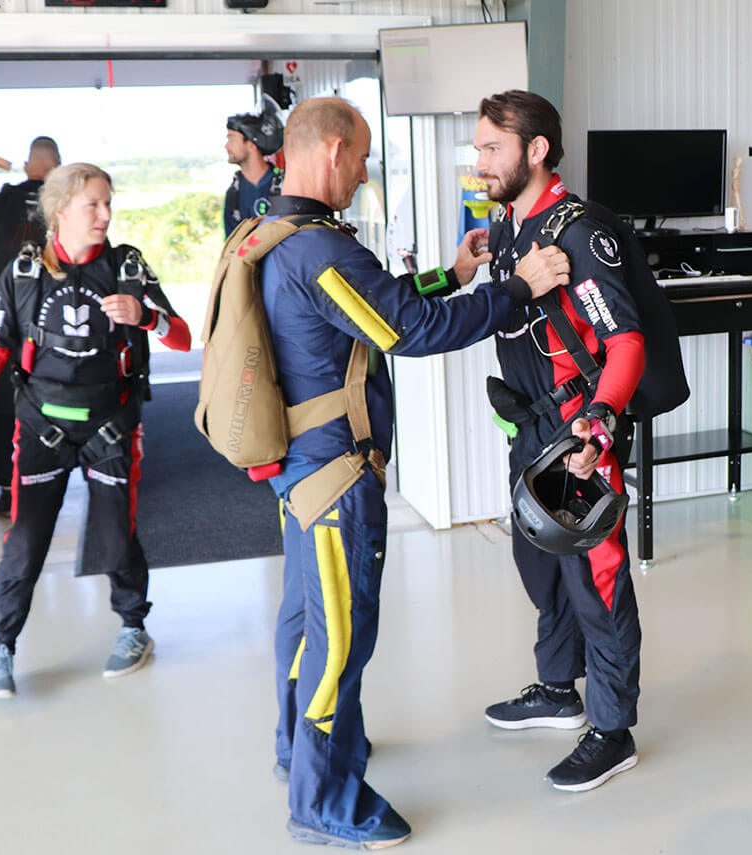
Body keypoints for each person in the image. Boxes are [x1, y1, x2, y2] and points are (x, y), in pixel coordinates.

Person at [258, 96, 568, 849]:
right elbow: (410, 329)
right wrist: (518, 287)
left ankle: (298, 749)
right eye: (361, 159)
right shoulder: (317, 249)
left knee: (304, 622)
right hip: (334, 475)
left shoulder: (273, 233)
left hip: (298, 470)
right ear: (332, 152)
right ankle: (323, 800)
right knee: (339, 639)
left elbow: (374, 310)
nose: (364, 175)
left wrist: (455, 273)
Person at [0, 162, 192, 699]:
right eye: (93, 205)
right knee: (25, 540)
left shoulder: (127, 268)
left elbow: (182, 337)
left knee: (114, 537)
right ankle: (2, 646)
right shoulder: (24, 273)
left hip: (110, 424)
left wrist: (145, 317)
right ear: (61, 212)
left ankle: (132, 626)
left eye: (108, 203)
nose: (106, 215)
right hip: (41, 426)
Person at [474, 90, 645, 792]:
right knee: (540, 563)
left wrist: (599, 424)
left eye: (491, 147)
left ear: (535, 149)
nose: (479, 160)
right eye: (479, 147)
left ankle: (613, 728)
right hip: (529, 427)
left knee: (596, 578)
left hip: (578, 432)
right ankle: (558, 688)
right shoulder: (509, 228)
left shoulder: (576, 232)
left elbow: (626, 342)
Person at [0, 136, 62, 511]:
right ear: (58, 167)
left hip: (6, 316)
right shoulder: (64, 204)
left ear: (25, 165)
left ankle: (7, 485)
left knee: (4, 396)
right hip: (54, 316)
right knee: (57, 393)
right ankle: (54, 475)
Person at [224, 106, 284, 236]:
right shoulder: (234, 193)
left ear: (251, 143)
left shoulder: (283, 184)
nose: (226, 146)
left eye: (231, 138)